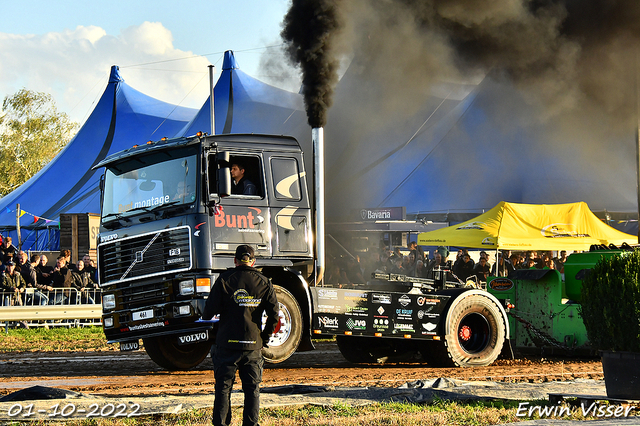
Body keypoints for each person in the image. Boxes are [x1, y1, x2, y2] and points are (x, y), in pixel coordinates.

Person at [201, 244, 279, 426]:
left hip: (227, 344)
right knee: (252, 389)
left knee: (223, 388)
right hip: (253, 345)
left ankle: (221, 424)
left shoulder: (224, 279)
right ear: (253, 261)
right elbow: (275, 316)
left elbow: (207, 314)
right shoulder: (264, 282)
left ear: (235, 260)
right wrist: (264, 338)